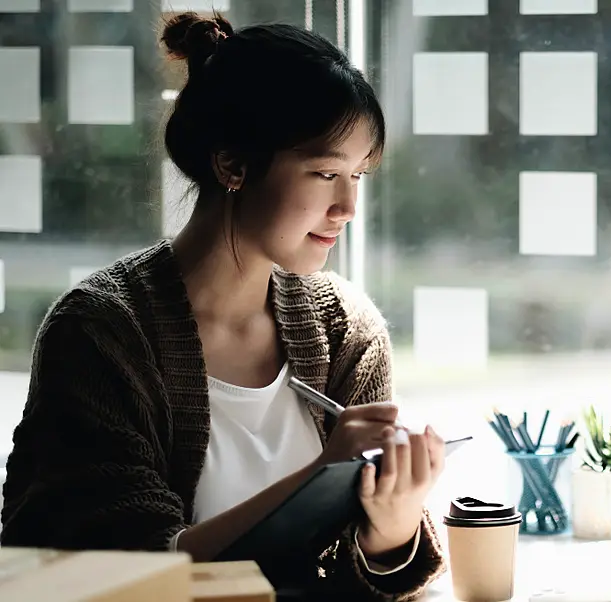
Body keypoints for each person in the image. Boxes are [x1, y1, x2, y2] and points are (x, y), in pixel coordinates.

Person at [0, 12, 446, 600]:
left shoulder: (345, 330)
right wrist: (319, 478)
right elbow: (127, 567)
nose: (347, 208)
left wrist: (391, 523)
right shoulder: (100, 333)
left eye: (358, 175)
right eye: (324, 172)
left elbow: (363, 577)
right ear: (232, 163)